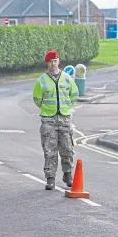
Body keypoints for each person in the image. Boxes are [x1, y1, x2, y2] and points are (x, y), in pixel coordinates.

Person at [32, 50, 79, 190]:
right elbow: (37, 99)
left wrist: (67, 107)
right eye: (51, 61)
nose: (53, 63)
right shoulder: (41, 80)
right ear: (47, 63)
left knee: (68, 148)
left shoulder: (67, 78)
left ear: (59, 61)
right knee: (49, 150)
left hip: (64, 118)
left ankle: (68, 174)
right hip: (49, 120)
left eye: (56, 60)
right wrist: (47, 110)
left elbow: (74, 94)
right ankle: (50, 178)